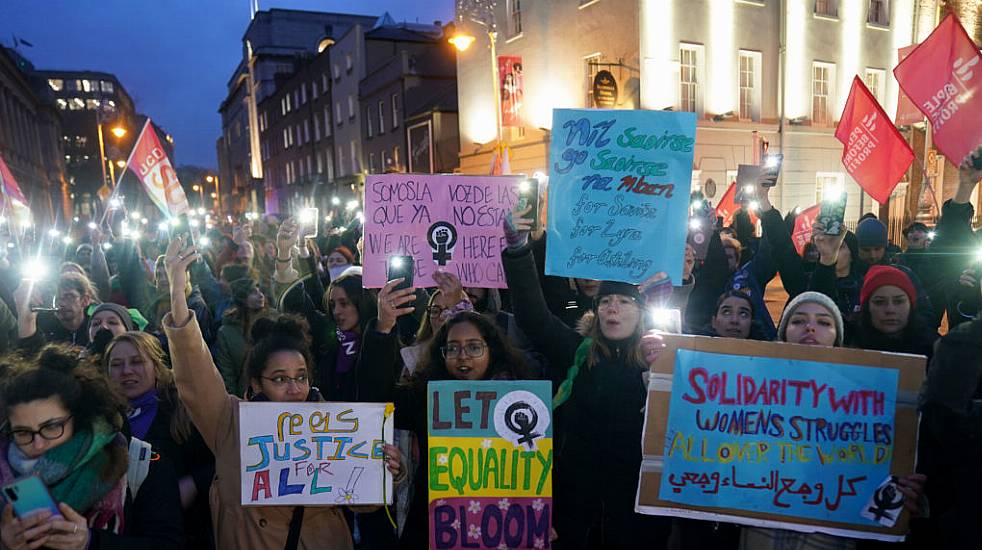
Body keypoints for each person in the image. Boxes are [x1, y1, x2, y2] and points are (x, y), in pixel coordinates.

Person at [161, 236, 404, 549]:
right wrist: (177, 293)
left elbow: (363, 503)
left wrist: (387, 472)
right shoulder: (230, 423)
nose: (294, 388)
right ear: (256, 384)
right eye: (279, 379)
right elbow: (195, 372)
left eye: (300, 377)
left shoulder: (335, 423)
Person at [500, 205, 672, 549]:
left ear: (640, 313)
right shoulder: (576, 351)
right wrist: (518, 250)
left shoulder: (660, 359)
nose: (613, 308)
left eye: (624, 301)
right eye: (606, 301)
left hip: (637, 513)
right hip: (579, 508)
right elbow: (534, 317)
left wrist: (665, 370)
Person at [739, 291, 925, 549]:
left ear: (838, 337)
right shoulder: (745, 391)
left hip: (833, 533)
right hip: (762, 529)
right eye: (798, 321)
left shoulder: (868, 400)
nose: (810, 328)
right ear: (783, 333)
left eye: (824, 322)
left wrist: (902, 489)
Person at [357, 303, 536, 549]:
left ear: (491, 350)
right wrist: (383, 327)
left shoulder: (521, 404)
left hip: (500, 529)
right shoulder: (427, 397)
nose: (463, 356)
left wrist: (540, 515)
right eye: (453, 348)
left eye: (474, 347)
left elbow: (536, 467)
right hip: (432, 529)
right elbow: (377, 398)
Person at [0, 344, 183, 549]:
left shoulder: (142, 464)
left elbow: (168, 544)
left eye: (51, 427)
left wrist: (90, 541)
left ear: (80, 418)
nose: (38, 444)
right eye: (23, 432)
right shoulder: (4, 466)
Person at [104, 331, 216, 548]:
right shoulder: (98, 417)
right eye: (116, 364)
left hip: (183, 533)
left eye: (137, 361)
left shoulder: (185, 411)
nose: (126, 371)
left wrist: (193, 483)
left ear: (156, 366)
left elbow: (224, 460)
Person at [15, 271, 99, 350]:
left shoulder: (96, 327)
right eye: (57, 298)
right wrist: (26, 320)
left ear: (85, 300)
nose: (61, 303)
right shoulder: (43, 326)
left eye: (69, 297)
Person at [215, 277, 268, 396]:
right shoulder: (227, 333)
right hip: (245, 397)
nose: (260, 295)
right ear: (243, 299)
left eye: (260, 291)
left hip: (276, 396)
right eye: (254, 292)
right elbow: (227, 374)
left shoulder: (273, 322)